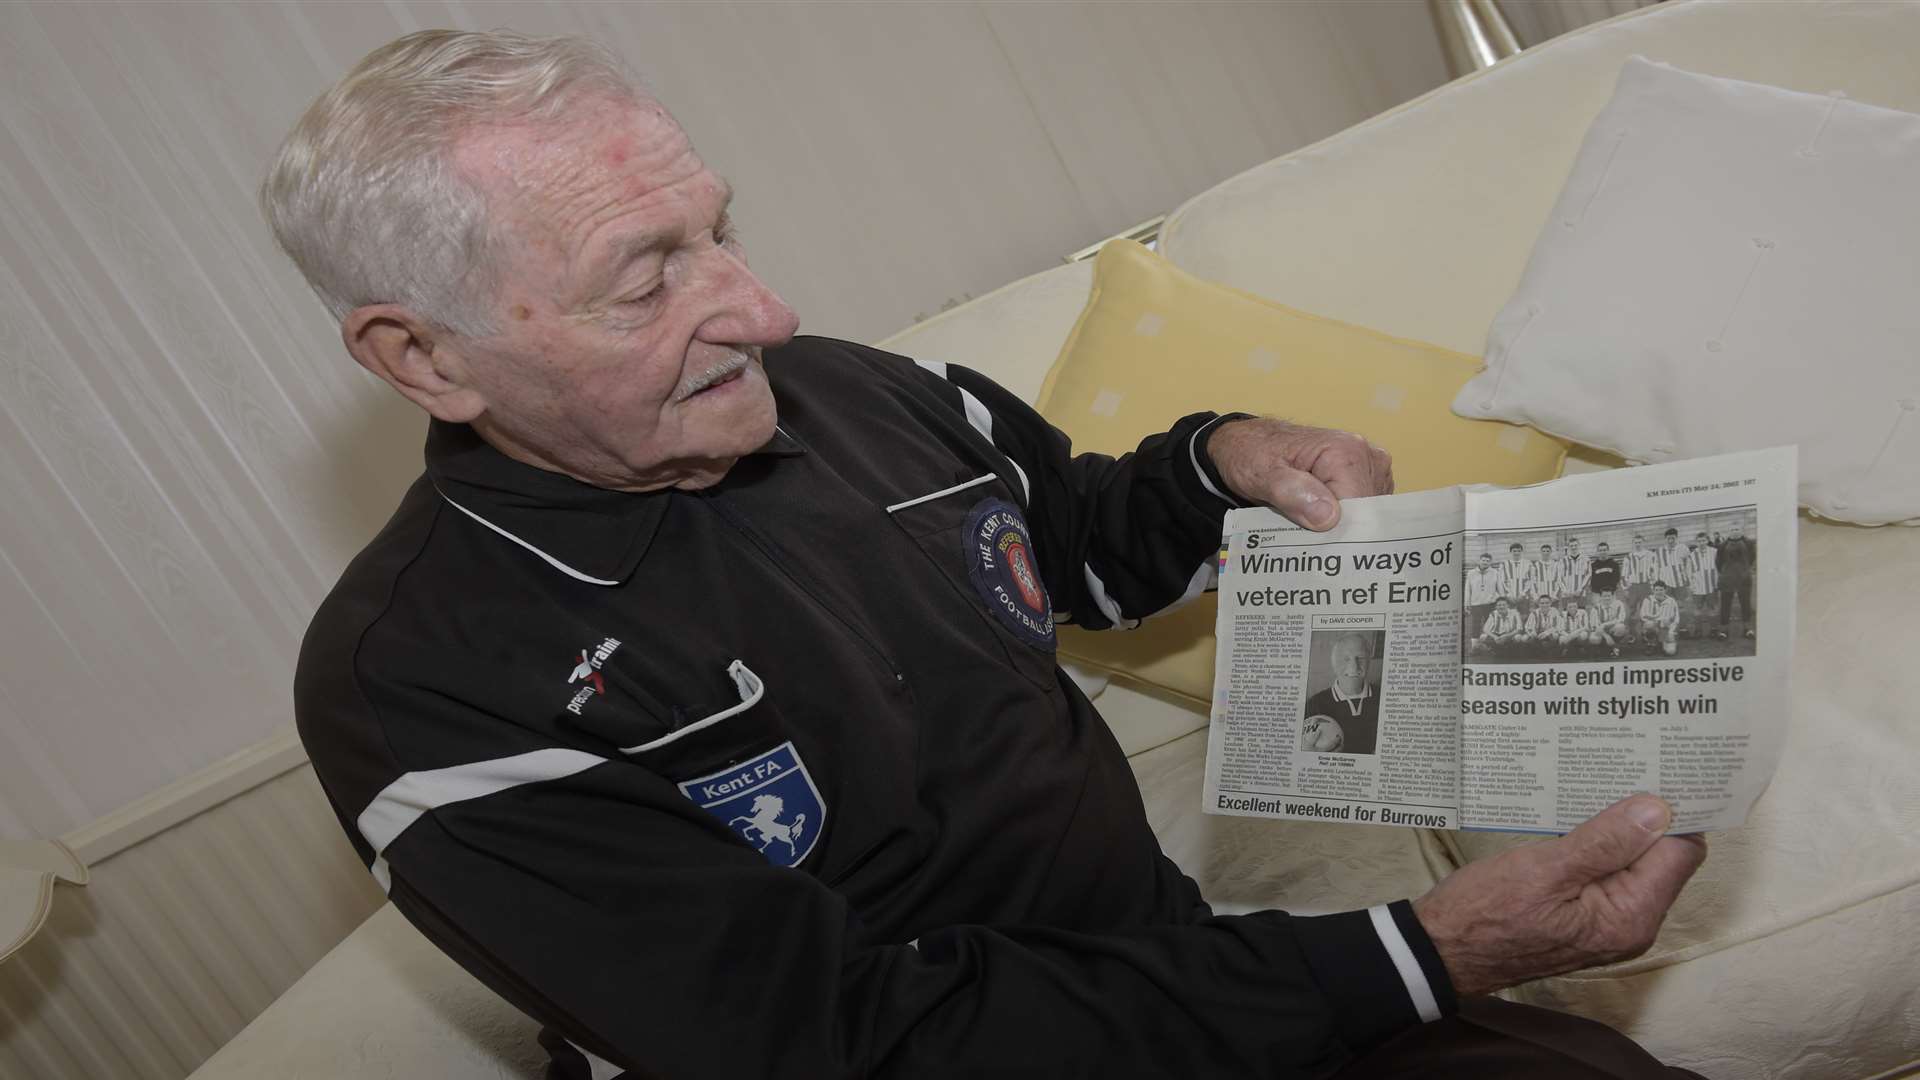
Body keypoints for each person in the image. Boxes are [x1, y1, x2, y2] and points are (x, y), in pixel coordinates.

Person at [270, 30, 1706, 1078]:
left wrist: (1218, 467)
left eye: (721, 231)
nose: (763, 309)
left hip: (1187, 991)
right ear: (422, 356)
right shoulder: (420, 686)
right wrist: (1420, 953)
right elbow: (836, 1044)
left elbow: (1065, 538)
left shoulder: (851, 390)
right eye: (648, 277)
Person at [1303, 633, 1382, 754]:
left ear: (1369, 661)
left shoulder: (1384, 698)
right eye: (1346, 659)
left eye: (1360, 658)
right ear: (1334, 664)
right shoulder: (1314, 704)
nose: (1354, 667)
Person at [1716, 524, 1756, 640]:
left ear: (1741, 531)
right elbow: (1718, 562)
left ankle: (1747, 629)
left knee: (1745, 604)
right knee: (1725, 604)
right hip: (1727, 579)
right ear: (1728, 532)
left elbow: (1751, 558)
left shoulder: (1748, 543)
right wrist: (1726, 572)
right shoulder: (1722, 545)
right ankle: (1724, 630)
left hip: (1744, 578)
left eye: (1737, 529)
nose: (1735, 531)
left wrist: (1744, 570)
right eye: (1732, 529)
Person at [1640, 582, 1683, 657]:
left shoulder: (1671, 601)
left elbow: (1676, 619)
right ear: (1653, 591)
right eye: (1656, 590)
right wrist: (1660, 621)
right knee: (1649, 624)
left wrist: (1671, 632)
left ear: (1665, 590)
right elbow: (1644, 616)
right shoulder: (1648, 600)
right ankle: (1651, 643)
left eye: (1661, 590)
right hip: (1654, 626)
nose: (1659, 592)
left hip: (1666, 629)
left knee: (1670, 652)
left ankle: (1662, 642)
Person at [1593, 589, 1631, 657]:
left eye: (1609, 596)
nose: (1607, 598)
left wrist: (1605, 624)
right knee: (1594, 639)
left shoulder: (1618, 604)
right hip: (1601, 631)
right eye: (1604, 596)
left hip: (1612, 629)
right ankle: (1606, 647)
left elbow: (1621, 619)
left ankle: (1615, 647)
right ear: (1600, 597)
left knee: (1620, 627)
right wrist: (1606, 636)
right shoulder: (1596, 607)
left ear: (1613, 596)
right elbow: (1595, 625)